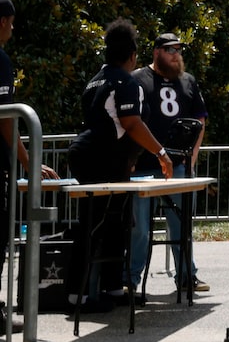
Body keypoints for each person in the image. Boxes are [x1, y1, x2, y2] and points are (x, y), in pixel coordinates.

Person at [64, 20, 174, 310]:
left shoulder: (94, 80)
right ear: (133, 55)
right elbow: (131, 124)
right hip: (101, 158)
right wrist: (161, 152)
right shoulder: (128, 82)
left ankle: (112, 289)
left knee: (117, 221)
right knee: (94, 224)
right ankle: (79, 297)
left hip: (93, 155)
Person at [130, 32, 209, 294]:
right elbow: (130, 120)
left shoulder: (188, 81)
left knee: (181, 225)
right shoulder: (138, 79)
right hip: (144, 167)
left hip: (178, 167)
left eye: (178, 50)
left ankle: (187, 276)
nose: (176, 55)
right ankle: (129, 279)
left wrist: (193, 155)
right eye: (170, 50)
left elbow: (200, 119)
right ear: (156, 52)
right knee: (139, 229)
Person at [1, 0, 58, 328]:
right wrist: (27, 162)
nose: (13, 27)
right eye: (11, 21)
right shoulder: (0, 59)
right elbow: (6, 119)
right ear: (3, 22)